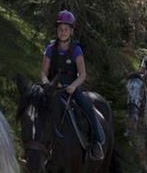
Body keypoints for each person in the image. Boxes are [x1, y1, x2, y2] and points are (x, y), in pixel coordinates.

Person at [40, 10, 105, 160]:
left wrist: (73, 86)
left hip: (71, 87)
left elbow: (82, 74)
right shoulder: (50, 49)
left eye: (66, 29)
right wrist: (47, 85)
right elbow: (43, 72)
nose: (62, 32)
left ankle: (96, 142)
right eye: (60, 29)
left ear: (71, 31)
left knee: (87, 107)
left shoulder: (76, 49)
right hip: (53, 88)